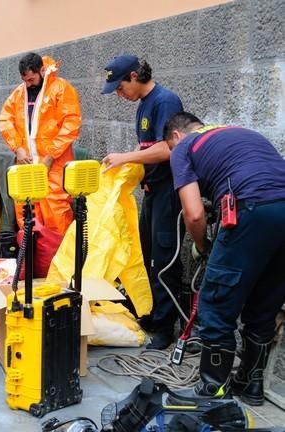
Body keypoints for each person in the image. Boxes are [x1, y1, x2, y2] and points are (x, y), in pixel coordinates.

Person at [164, 112, 285, 404]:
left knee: (216, 301)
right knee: (264, 302)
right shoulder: (242, 133)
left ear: (176, 136)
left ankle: (212, 389)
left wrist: (204, 246)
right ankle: (250, 384)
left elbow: (193, 214)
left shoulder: (183, 147)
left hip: (250, 208)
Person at [101, 55, 184, 350]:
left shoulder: (165, 101)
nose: (120, 94)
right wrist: (127, 162)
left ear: (134, 76)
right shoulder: (143, 105)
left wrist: (125, 157)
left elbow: (168, 149)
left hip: (170, 191)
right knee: (144, 252)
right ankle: (149, 314)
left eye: (120, 87)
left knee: (165, 259)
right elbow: (147, 146)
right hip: (151, 191)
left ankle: (165, 327)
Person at [0, 52, 81, 236]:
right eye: (24, 80)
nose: (28, 84)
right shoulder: (19, 93)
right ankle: (32, 261)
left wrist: (51, 156)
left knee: (56, 213)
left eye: (31, 79)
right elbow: (6, 120)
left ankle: (58, 262)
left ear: (42, 70)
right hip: (27, 164)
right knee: (26, 214)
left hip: (55, 165)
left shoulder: (61, 89)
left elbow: (71, 124)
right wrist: (18, 148)